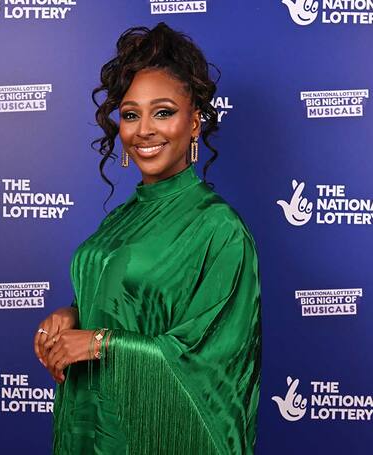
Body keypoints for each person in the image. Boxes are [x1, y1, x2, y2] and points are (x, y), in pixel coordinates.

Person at [33, 22, 261, 455]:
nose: (145, 130)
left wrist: (100, 343)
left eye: (163, 112)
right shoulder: (121, 218)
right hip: (92, 425)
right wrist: (71, 314)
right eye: (131, 114)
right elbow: (126, 303)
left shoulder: (219, 227)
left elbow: (212, 363)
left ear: (194, 123)